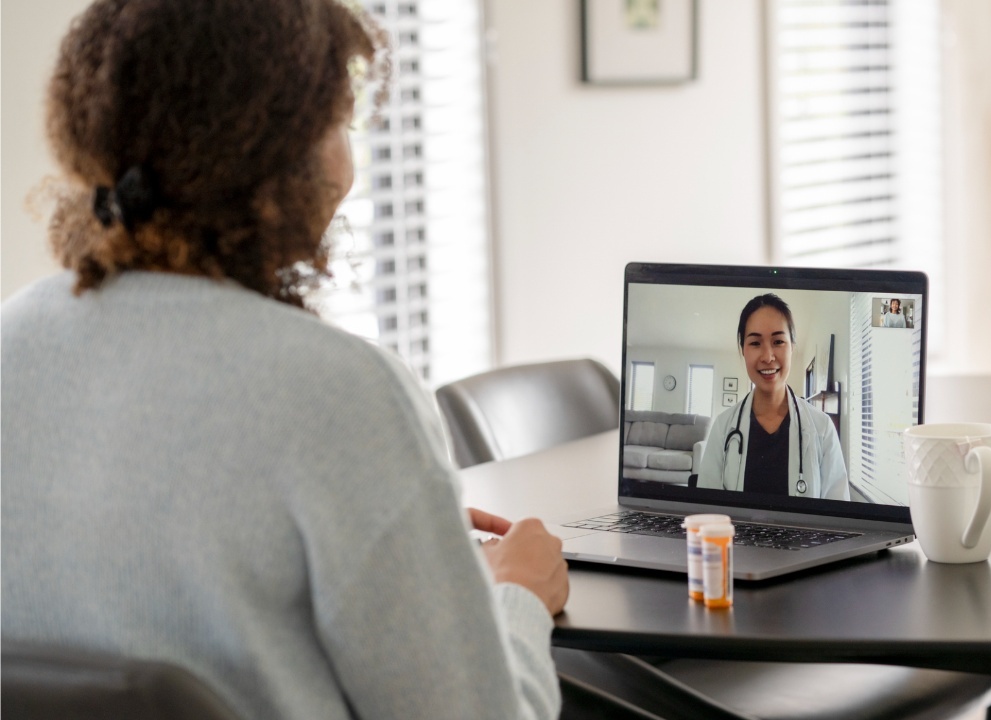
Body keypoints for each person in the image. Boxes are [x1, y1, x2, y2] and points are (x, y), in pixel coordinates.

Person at [0, 1, 567, 719]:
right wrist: (517, 595)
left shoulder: (11, 336)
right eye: (339, 122)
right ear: (279, 159)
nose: (348, 163)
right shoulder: (342, 391)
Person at [697, 294, 849, 500]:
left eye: (778, 341)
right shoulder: (723, 428)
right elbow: (708, 511)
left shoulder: (822, 429)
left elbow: (837, 519)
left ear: (792, 347)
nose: (768, 357)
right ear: (743, 350)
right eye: (755, 343)